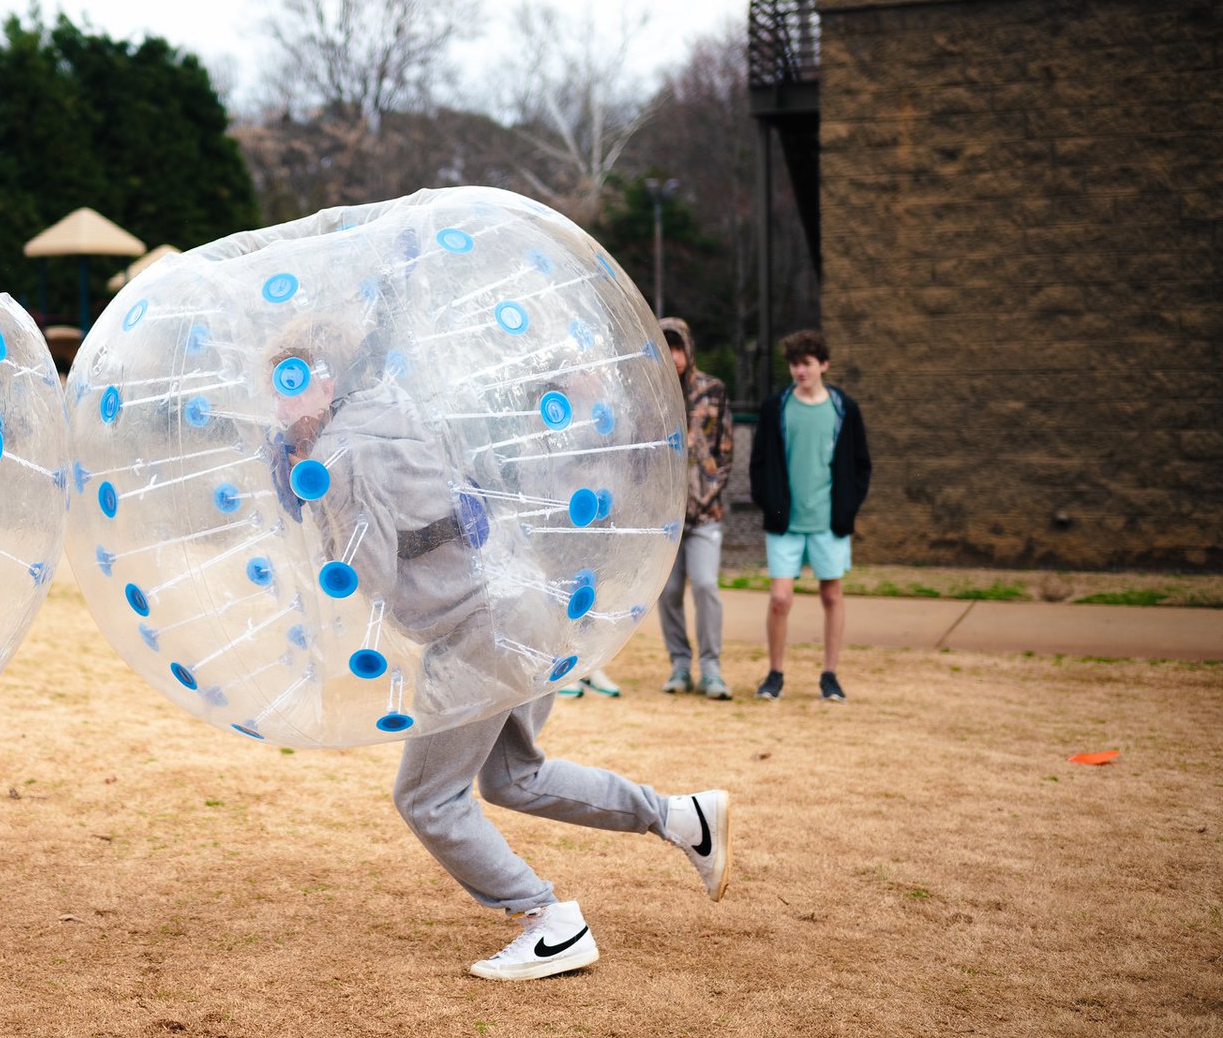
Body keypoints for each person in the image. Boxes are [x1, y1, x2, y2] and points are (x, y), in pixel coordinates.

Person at [269, 327, 731, 982]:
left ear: (327, 380)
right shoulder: (389, 412)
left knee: (429, 797)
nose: (281, 409)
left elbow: (367, 571)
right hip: (520, 600)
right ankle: (684, 818)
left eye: (290, 386)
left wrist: (313, 498)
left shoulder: (341, 454)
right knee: (515, 777)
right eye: (277, 393)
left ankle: (549, 919)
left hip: (474, 626)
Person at [747, 328, 872, 703]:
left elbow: (861, 465)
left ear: (823, 365)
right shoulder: (776, 407)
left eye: (807, 364)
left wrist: (846, 508)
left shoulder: (843, 409)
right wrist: (771, 504)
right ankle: (775, 674)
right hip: (785, 522)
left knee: (832, 595)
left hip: (828, 523)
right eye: (794, 364)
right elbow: (760, 463)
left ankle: (830, 676)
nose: (800, 371)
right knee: (780, 598)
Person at [656, 318, 734, 700]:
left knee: (704, 585)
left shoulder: (713, 391)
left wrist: (705, 496)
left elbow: (725, 452)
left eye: (679, 347)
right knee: (668, 592)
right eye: (665, 347)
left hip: (705, 516)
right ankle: (680, 664)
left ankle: (712, 668)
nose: (674, 357)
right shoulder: (649, 392)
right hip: (664, 520)